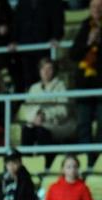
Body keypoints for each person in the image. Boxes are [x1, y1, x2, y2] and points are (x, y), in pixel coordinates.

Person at [20, 58, 76, 145]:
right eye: (43, 69)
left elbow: (64, 110)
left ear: (54, 71)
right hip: (35, 122)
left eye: (49, 68)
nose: (46, 72)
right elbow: (26, 108)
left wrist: (44, 115)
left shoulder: (60, 86)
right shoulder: (34, 88)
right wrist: (35, 116)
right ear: (39, 71)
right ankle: (25, 154)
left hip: (56, 124)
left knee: (41, 132)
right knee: (26, 131)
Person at [70, 0, 102, 144]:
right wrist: (88, 42)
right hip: (85, 85)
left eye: (100, 6)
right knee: (83, 123)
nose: (97, 9)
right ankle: (86, 154)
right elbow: (73, 54)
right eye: (94, 6)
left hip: (100, 84)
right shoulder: (85, 26)